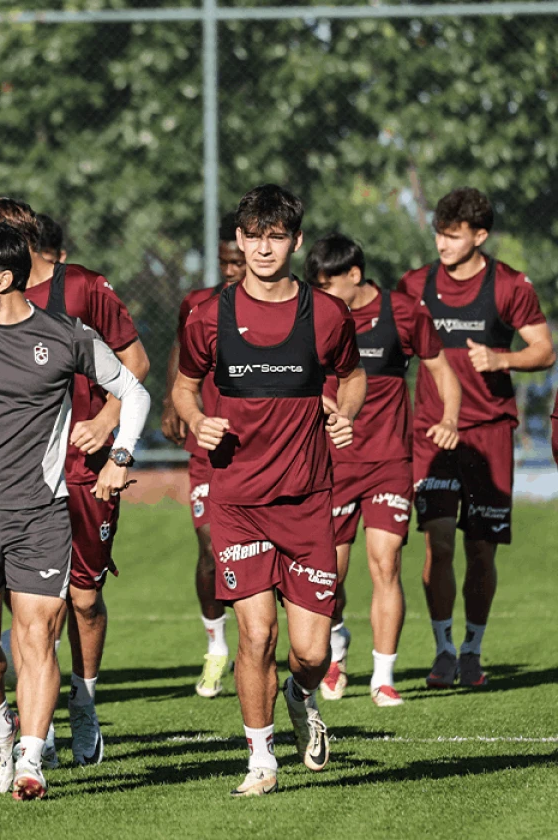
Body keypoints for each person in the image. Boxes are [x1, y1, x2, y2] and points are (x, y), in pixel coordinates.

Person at [0, 222, 150, 800]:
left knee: (39, 634)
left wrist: (120, 454)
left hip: (41, 511)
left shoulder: (67, 335)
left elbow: (136, 391)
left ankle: (31, 758)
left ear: (4, 277)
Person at [172, 185, 365, 797]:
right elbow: (182, 385)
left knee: (310, 653)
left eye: (275, 236)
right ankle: (260, 759)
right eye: (251, 235)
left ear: (295, 242)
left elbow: (353, 376)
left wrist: (345, 412)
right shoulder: (209, 315)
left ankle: (300, 695)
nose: (261, 247)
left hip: (308, 501)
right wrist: (197, 418)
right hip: (237, 502)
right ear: (238, 240)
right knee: (257, 634)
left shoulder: (327, 315)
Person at [396, 188, 554, 688]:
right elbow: (392, 347)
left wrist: (502, 359)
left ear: (479, 236)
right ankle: (443, 650)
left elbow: (544, 350)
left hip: (488, 433)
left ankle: (472, 650)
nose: (442, 243)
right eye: (439, 233)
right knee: (438, 544)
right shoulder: (415, 284)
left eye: (453, 235)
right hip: (433, 434)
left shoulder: (508, 285)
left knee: (481, 551)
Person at [306, 233, 460, 706]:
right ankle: (336, 650)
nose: (321, 294)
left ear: (354, 275)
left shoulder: (405, 312)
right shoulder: (316, 317)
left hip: (390, 461)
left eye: (328, 284)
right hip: (334, 463)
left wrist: (450, 417)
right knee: (328, 574)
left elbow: (441, 371)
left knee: (386, 562)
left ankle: (383, 676)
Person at [160, 214, 246, 699]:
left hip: (259, 449)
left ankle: (259, 645)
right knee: (211, 549)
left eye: (238, 260)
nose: (232, 269)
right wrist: (175, 401)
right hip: (206, 447)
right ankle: (216, 648)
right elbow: (180, 346)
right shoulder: (198, 303)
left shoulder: (275, 305)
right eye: (225, 261)